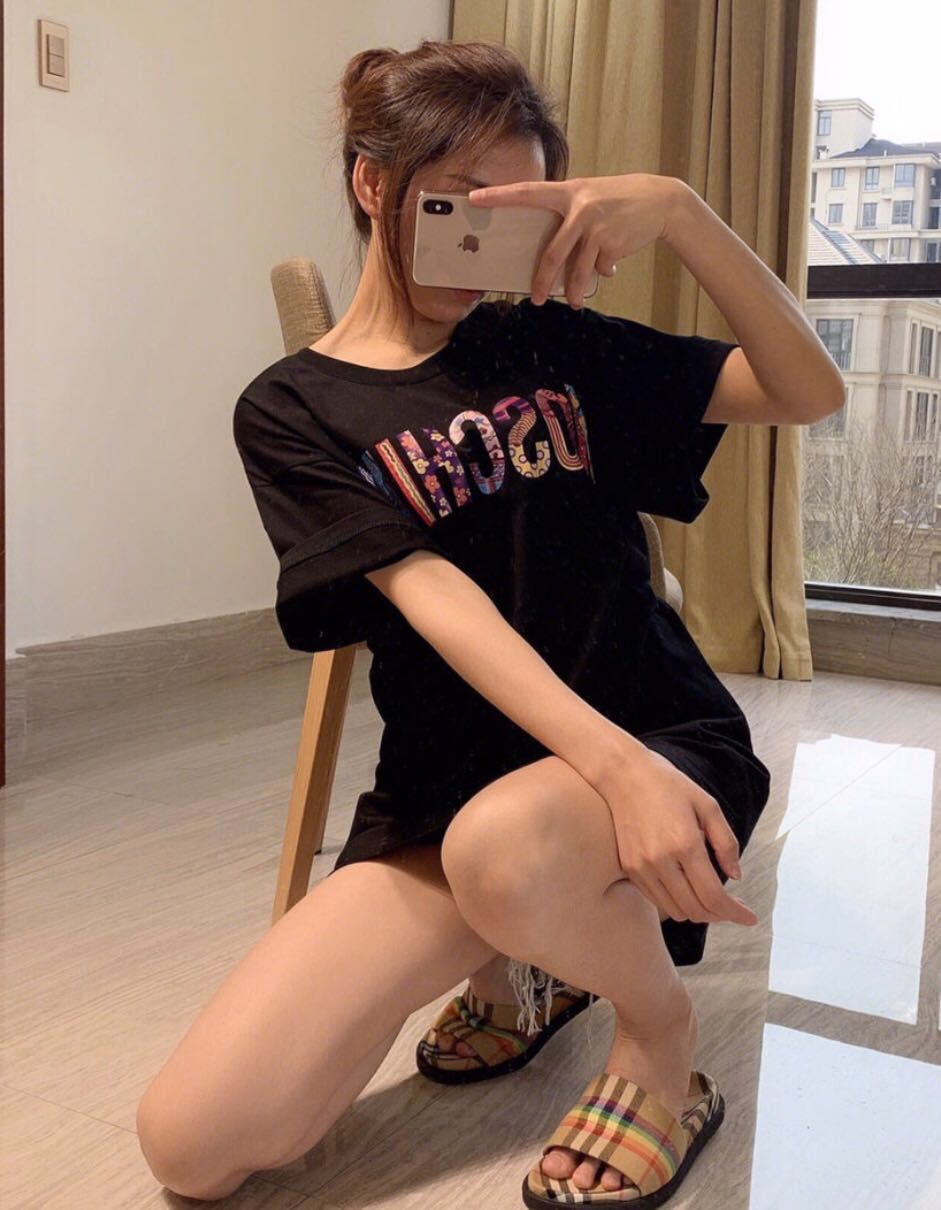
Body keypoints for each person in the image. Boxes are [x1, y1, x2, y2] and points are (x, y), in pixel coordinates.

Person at [136, 38, 775, 1207]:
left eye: (511, 212)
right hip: (450, 802)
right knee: (192, 1141)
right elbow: (434, 592)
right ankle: (538, 962)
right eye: (451, 202)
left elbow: (801, 389)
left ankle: (657, 1034)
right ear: (370, 182)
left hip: (648, 736)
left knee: (507, 850)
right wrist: (604, 769)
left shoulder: (547, 341)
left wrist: (683, 215)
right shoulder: (289, 408)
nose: (479, 242)